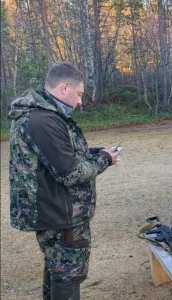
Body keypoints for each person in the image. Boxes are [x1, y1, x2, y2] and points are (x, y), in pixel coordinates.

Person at [8, 62, 120, 299]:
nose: (80, 101)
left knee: (57, 270)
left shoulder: (42, 116)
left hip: (55, 211)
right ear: (64, 87)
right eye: (79, 94)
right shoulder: (44, 121)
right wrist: (105, 160)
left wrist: (97, 152)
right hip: (61, 215)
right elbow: (70, 173)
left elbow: (58, 156)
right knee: (68, 276)